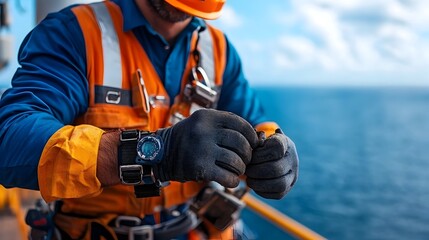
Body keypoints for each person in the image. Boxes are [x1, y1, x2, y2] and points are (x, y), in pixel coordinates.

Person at [0, 0, 299, 239]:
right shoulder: (76, 34)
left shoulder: (219, 51)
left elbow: (253, 120)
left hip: (196, 228)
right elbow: (10, 139)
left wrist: (273, 145)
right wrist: (151, 152)